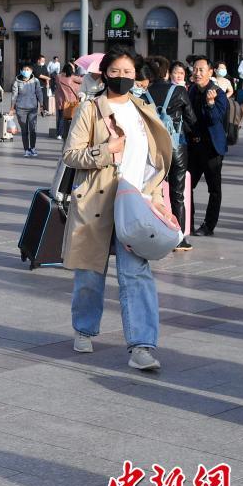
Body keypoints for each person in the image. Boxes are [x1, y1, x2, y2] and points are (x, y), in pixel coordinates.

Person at [62, 47, 173, 371]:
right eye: (115, 72)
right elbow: (71, 155)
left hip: (134, 202)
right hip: (97, 201)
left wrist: (156, 197)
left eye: (128, 72)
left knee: (136, 275)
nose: (122, 78)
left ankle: (142, 346)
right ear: (104, 73)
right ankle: (83, 327)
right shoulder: (90, 110)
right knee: (89, 275)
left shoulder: (143, 109)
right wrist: (106, 151)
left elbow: (154, 159)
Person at [144, 55, 196, 251]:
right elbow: (191, 119)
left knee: (150, 191)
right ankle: (179, 238)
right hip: (177, 147)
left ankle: (152, 234)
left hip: (152, 148)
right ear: (167, 72)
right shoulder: (179, 91)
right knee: (177, 193)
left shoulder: (144, 93)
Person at [187, 57, 229, 237]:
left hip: (212, 149)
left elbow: (216, 119)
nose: (197, 73)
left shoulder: (218, 93)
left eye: (201, 70)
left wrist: (210, 105)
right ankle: (187, 220)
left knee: (214, 189)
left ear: (210, 72)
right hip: (194, 147)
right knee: (187, 185)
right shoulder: (191, 91)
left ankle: (208, 226)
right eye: (195, 69)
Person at [10, 64, 41, 157]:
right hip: (21, 109)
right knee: (24, 130)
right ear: (21, 71)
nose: (26, 71)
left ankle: (33, 148)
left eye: (28, 69)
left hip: (33, 108)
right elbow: (14, 95)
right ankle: (26, 149)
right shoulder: (17, 82)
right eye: (24, 69)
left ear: (31, 71)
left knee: (33, 129)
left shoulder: (35, 81)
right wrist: (12, 107)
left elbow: (39, 92)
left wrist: (42, 104)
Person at [55, 60, 83, 143]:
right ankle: (70, 133)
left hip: (60, 100)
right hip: (70, 101)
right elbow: (82, 81)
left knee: (60, 117)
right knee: (71, 118)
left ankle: (59, 134)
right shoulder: (72, 77)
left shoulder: (58, 76)